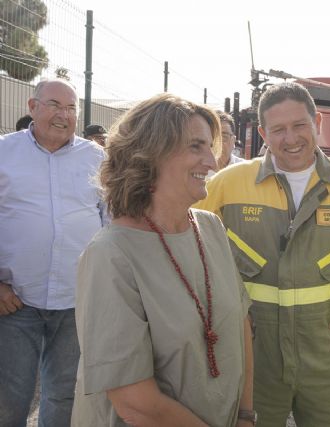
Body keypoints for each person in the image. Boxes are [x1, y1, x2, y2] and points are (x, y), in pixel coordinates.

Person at [194, 82, 330, 426]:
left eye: (300, 125)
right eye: (278, 129)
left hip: (328, 355)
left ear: (318, 122)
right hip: (252, 356)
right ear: (262, 134)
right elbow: (185, 248)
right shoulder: (227, 185)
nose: (291, 138)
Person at [71, 94, 254, 427]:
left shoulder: (210, 227)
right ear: (151, 154)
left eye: (209, 147)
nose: (212, 163)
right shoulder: (111, 255)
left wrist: (245, 416)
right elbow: (135, 403)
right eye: (196, 147)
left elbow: (239, 325)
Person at [0, 78, 106, 426]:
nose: (65, 115)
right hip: (15, 302)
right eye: (55, 105)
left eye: (72, 108)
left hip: (76, 302)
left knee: (63, 397)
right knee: (9, 399)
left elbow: (112, 222)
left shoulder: (96, 158)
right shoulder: (4, 153)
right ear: (32, 107)